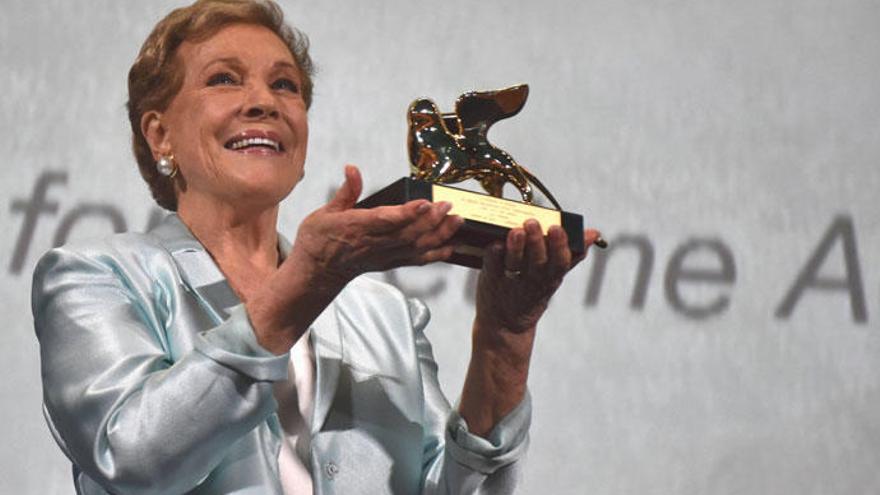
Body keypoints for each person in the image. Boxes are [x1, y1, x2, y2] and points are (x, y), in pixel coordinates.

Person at [31, 1, 602, 493]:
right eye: (225, 79)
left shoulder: (387, 317)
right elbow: (132, 459)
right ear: (160, 134)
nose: (264, 102)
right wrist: (309, 281)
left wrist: (505, 340)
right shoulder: (92, 278)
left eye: (286, 85)